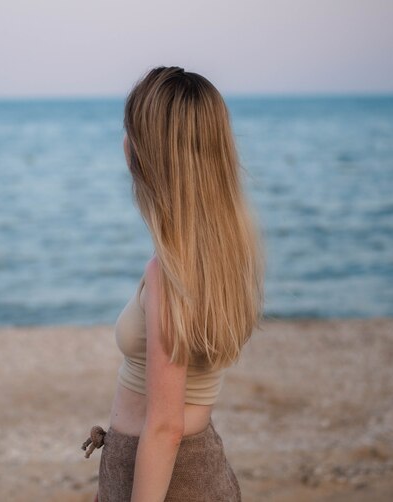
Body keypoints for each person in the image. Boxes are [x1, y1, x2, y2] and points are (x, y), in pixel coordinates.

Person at [81, 66, 265, 502]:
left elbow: (165, 426)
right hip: (197, 465)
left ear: (140, 153)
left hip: (162, 475)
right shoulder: (224, 255)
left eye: (129, 131)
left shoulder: (169, 274)